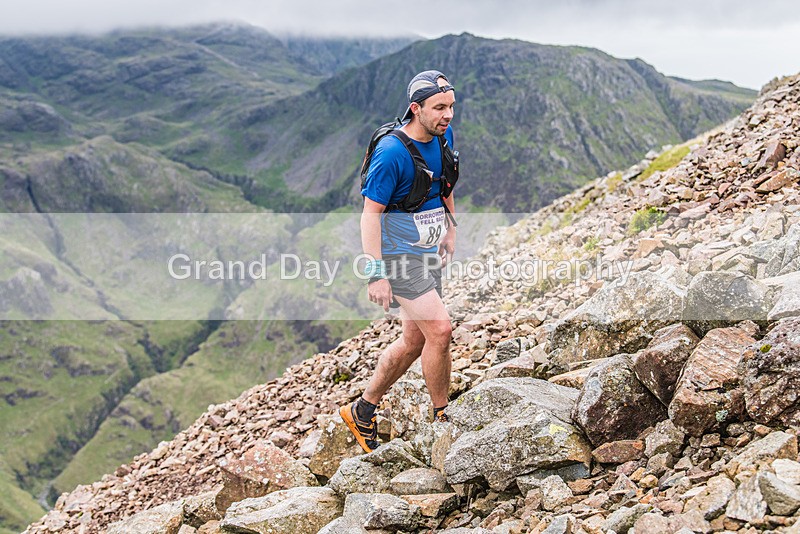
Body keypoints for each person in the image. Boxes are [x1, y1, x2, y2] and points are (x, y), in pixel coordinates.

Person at [340, 70, 458, 453]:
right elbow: (369, 215)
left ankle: (362, 409)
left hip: (427, 250)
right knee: (440, 330)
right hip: (397, 255)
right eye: (439, 107)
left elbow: (445, 183)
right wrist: (375, 274)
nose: (447, 115)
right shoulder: (391, 153)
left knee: (413, 340)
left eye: (452, 106)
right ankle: (444, 417)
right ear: (415, 108)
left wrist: (451, 227)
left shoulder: (443, 135)